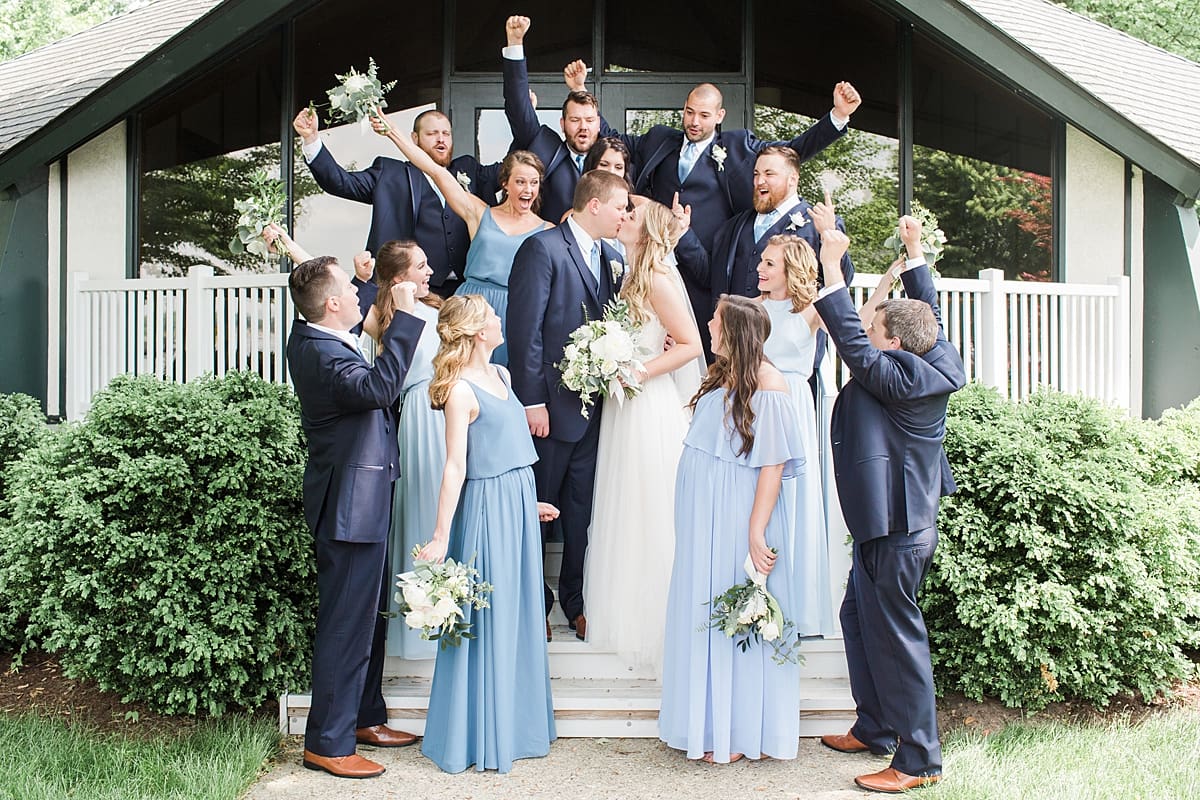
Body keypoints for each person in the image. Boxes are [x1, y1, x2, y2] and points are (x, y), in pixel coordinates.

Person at [811, 214, 966, 793]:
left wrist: (831, 262)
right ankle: (875, 726)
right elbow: (930, 313)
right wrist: (916, 252)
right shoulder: (937, 355)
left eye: (880, 329)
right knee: (857, 617)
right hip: (887, 520)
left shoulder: (898, 376)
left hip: (897, 526)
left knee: (899, 639)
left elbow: (851, 338)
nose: (871, 333)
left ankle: (918, 761)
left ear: (895, 344)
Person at [562, 64, 860, 334]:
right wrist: (580, 92)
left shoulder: (738, 145)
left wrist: (838, 116)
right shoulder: (658, 139)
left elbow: (792, 152)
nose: (694, 121)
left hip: (705, 269)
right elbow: (611, 140)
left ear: (719, 116)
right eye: (690, 112)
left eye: (704, 115)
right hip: (653, 264)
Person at [285, 256, 424, 780]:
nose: (359, 290)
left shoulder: (318, 333)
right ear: (332, 304)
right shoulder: (321, 353)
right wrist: (406, 319)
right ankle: (327, 742)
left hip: (362, 498)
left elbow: (325, 282)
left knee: (369, 618)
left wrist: (365, 278)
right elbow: (377, 390)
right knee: (346, 625)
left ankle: (364, 718)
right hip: (348, 507)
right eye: (351, 286)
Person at [658, 295, 806, 763]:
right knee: (702, 605)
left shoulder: (770, 383)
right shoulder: (725, 373)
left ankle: (737, 731)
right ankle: (704, 721)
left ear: (736, 331)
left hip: (738, 514)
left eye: (716, 319)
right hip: (704, 515)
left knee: (731, 609)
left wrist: (756, 529)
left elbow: (773, 466)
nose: (707, 322)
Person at [416, 295, 557, 773]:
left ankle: (516, 728)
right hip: (484, 511)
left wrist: (526, 500)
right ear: (479, 333)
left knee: (517, 614)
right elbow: (456, 465)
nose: (502, 320)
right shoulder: (459, 391)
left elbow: (506, 447)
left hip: (515, 502)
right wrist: (439, 535)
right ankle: (477, 734)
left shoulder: (502, 376)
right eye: (494, 318)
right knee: (487, 620)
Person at [508, 170, 630, 642]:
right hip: (548, 411)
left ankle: (578, 601)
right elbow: (526, 331)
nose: (625, 216)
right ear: (594, 205)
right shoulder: (542, 249)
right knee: (539, 510)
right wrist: (532, 400)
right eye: (620, 206)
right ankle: (534, 603)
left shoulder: (614, 258)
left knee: (583, 511)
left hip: (596, 409)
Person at [582, 201, 703, 675]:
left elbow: (691, 344)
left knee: (651, 507)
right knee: (624, 505)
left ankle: (657, 625)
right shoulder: (628, 273)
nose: (623, 216)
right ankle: (622, 616)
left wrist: (636, 370)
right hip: (625, 405)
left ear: (647, 228)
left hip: (649, 404)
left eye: (630, 213)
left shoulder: (656, 278)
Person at [372, 114, 551, 366]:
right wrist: (392, 133)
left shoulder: (548, 231)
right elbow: (434, 170)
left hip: (516, 314)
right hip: (468, 309)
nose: (527, 189)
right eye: (520, 182)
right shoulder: (479, 213)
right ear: (505, 185)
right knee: (458, 379)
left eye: (534, 183)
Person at [294, 106, 501, 308]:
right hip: (413, 294)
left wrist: (523, 113)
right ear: (414, 138)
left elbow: (516, 170)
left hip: (466, 291)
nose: (441, 139)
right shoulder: (390, 174)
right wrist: (311, 140)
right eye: (432, 133)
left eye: (446, 133)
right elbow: (341, 182)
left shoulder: (469, 170)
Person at [674, 145, 855, 361]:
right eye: (756, 174)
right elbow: (709, 276)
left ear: (792, 179)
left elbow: (841, 282)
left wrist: (829, 234)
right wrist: (683, 233)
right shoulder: (734, 226)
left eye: (769, 174)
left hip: (788, 352)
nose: (760, 181)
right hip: (733, 353)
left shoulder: (816, 225)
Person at [755, 234, 835, 637]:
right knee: (758, 499)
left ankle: (796, 604)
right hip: (755, 406)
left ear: (791, 271)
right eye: (763, 261)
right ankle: (756, 597)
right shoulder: (750, 308)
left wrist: (891, 275)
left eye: (770, 264)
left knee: (794, 499)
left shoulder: (811, 311)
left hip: (794, 408)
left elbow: (859, 322)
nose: (760, 268)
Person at [502, 16, 619, 223]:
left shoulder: (611, 158)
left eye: (590, 120)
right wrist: (515, 43)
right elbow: (518, 109)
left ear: (599, 123)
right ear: (562, 124)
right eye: (575, 120)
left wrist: (579, 89)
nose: (583, 127)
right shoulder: (544, 145)